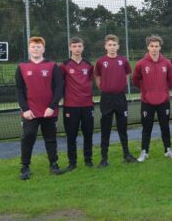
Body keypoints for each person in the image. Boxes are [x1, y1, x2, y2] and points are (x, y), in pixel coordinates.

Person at [15, 36, 64, 180]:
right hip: (30, 112)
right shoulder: (22, 67)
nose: (36, 49)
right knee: (28, 137)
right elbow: (19, 90)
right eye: (33, 47)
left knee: (50, 138)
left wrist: (52, 106)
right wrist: (25, 109)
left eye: (38, 47)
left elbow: (59, 87)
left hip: (49, 111)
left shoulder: (52, 66)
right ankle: (25, 167)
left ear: (43, 49)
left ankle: (54, 164)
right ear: (29, 49)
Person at [132, 35, 172, 161]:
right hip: (147, 102)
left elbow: (171, 80)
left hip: (163, 101)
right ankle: (144, 152)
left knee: (165, 126)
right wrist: (146, 91)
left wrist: (163, 91)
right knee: (147, 128)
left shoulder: (167, 63)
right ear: (148, 47)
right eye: (151, 46)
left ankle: (168, 150)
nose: (154, 49)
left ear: (160, 47)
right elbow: (135, 80)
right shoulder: (141, 64)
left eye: (156, 46)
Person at [94, 34, 137, 167]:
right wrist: (105, 89)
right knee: (105, 128)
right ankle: (104, 158)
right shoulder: (101, 61)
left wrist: (120, 86)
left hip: (120, 97)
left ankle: (126, 154)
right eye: (109, 45)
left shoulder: (123, 60)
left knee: (122, 127)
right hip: (106, 98)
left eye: (114, 45)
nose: (112, 47)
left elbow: (127, 74)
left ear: (118, 46)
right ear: (105, 46)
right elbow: (97, 77)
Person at [60, 37, 94, 171]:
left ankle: (88, 160)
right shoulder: (64, 65)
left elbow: (90, 81)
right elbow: (60, 84)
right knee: (71, 135)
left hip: (87, 105)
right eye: (74, 46)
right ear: (70, 48)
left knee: (88, 134)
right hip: (71, 106)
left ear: (83, 48)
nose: (77, 49)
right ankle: (72, 163)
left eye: (79, 46)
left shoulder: (88, 65)